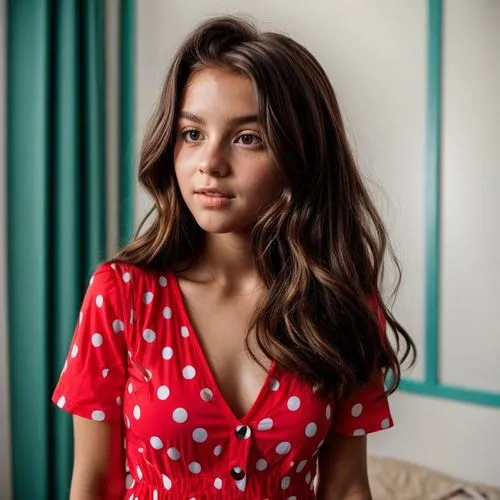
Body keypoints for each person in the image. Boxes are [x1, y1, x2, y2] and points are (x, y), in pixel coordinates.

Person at [52, 15, 416, 500]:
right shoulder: (121, 295)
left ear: (299, 153)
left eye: (247, 138)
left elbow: (347, 487)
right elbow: (94, 484)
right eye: (192, 134)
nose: (211, 163)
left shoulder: (341, 304)